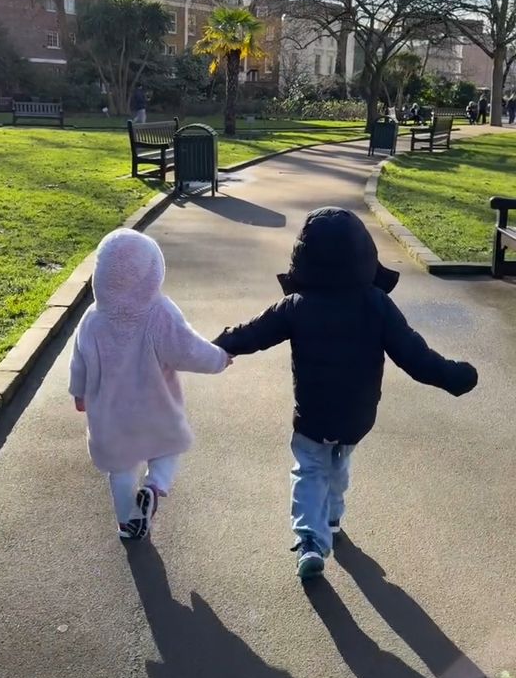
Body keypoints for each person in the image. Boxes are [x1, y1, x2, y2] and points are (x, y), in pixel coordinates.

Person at [214, 208, 477, 580]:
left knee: (309, 468)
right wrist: (453, 376)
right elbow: (414, 354)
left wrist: (217, 347)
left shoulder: (296, 305)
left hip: (312, 413)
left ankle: (309, 538)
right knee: (339, 461)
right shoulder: (377, 304)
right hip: (357, 414)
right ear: (364, 256)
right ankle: (333, 516)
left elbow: (253, 333)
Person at [69, 228, 230, 540]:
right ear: (154, 269)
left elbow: (79, 359)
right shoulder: (159, 313)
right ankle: (155, 486)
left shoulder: (93, 318)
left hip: (110, 414)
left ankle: (128, 523)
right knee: (168, 448)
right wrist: (219, 359)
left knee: (120, 469)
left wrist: (79, 392)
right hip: (154, 407)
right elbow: (187, 349)